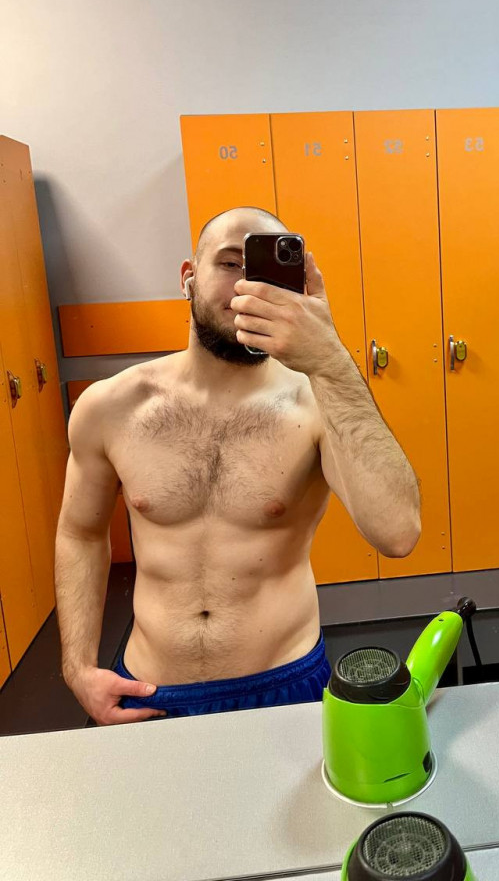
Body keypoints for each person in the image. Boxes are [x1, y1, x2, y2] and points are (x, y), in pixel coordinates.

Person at [55, 206, 421, 724]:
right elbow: (80, 533)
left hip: (285, 684)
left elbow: (398, 533)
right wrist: (77, 668)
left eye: (269, 272)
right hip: (149, 691)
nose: (248, 287)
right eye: (230, 263)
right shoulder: (112, 406)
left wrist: (330, 361)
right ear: (188, 278)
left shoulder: (316, 404)